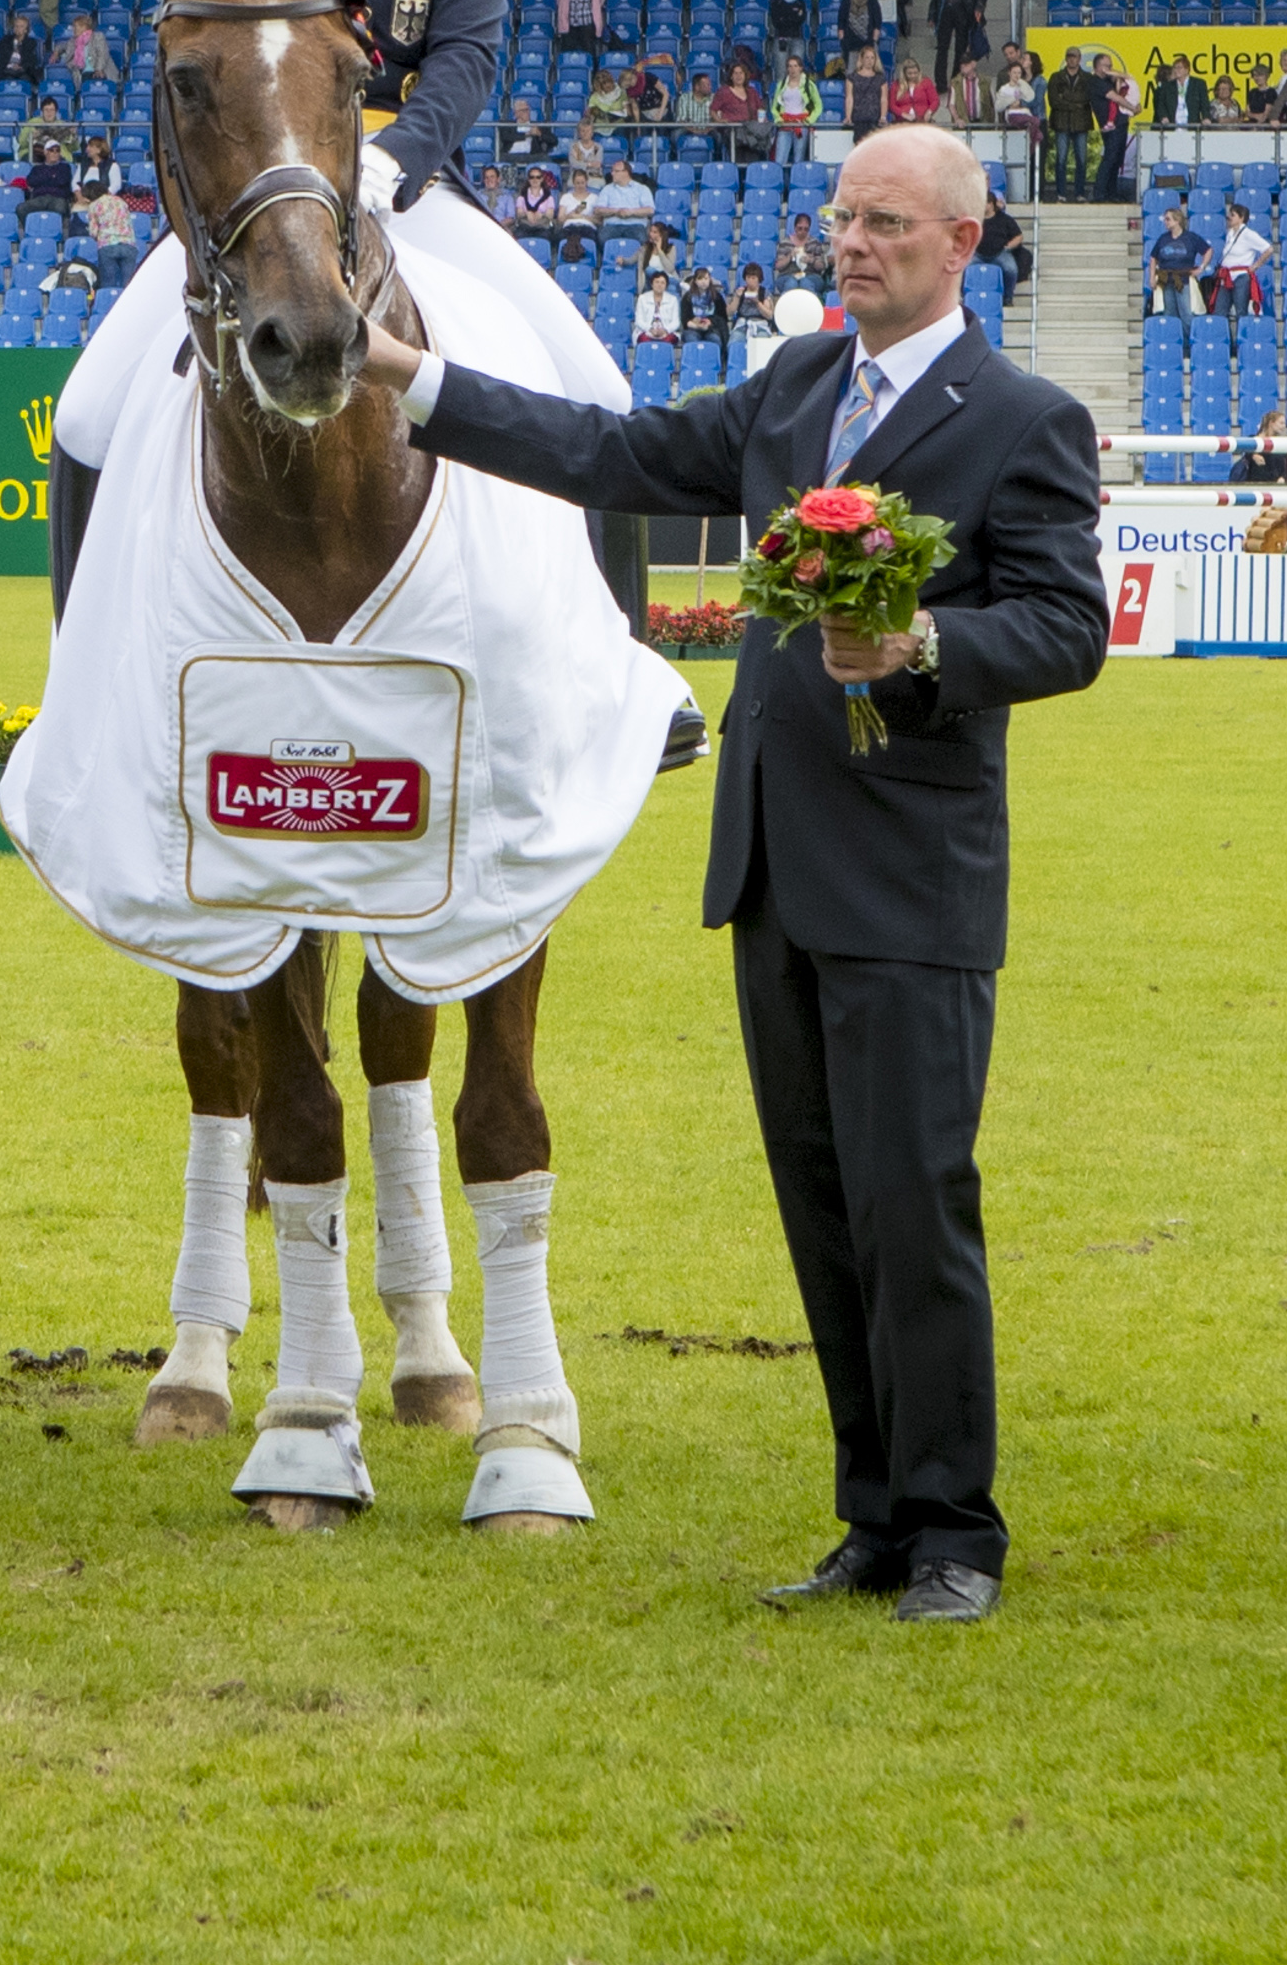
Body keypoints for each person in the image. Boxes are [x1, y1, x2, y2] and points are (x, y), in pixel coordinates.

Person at [358, 126, 1107, 1621]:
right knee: (822, 1209)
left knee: (914, 1204)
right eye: (840, 218)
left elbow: (1063, 624)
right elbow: (614, 454)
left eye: (886, 223)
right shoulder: (794, 390)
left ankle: (955, 1531)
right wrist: (412, 383)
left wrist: (922, 652)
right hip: (771, 868)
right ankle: (873, 1517)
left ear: (962, 243)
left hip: (908, 880)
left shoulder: (1020, 417)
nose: (852, 244)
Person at [46, 0, 640, 560]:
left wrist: (392, 161)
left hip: (404, 187)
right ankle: (75, 687)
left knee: (598, 393)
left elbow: (468, 57)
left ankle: (623, 680)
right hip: (256, 195)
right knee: (86, 411)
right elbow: (196, 63)